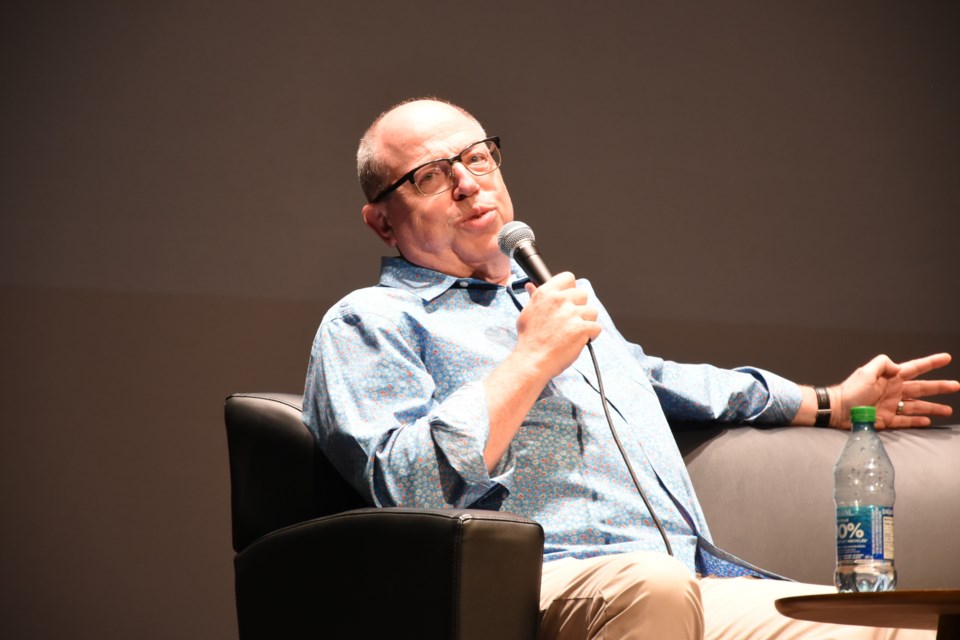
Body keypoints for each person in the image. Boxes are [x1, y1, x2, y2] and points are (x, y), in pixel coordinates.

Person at [303, 97, 959, 639]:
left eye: (477, 157)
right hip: (528, 590)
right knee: (653, 586)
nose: (469, 183)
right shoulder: (369, 321)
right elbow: (406, 485)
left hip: (687, 581)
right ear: (381, 223)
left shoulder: (550, 302)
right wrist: (531, 358)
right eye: (429, 175)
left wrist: (827, 400)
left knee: (896, 627)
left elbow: (665, 380)